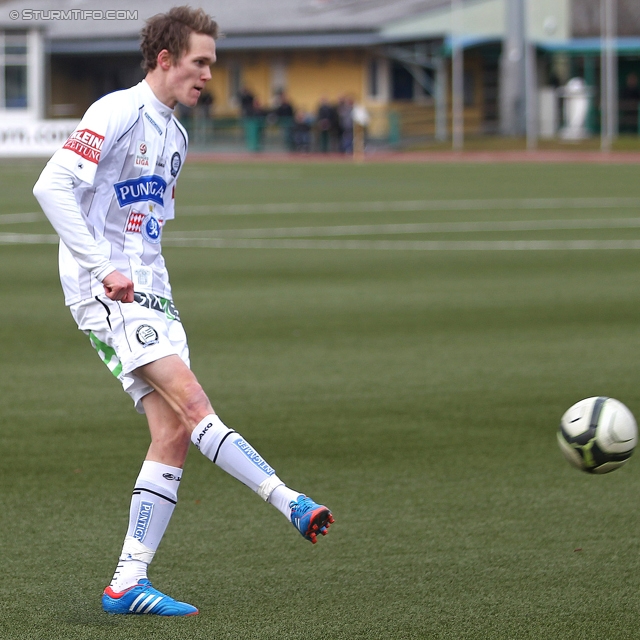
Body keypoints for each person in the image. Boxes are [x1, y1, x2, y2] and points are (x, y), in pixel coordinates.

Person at [32, 6, 334, 618]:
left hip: (151, 293)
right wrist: (101, 268)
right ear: (165, 59)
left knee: (172, 432)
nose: (208, 76)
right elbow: (51, 186)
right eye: (200, 63)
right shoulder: (115, 110)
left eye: (212, 65)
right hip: (106, 292)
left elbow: (149, 230)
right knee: (195, 406)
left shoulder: (177, 136)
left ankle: (127, 583)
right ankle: (290, 501)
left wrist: (154, 290)